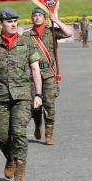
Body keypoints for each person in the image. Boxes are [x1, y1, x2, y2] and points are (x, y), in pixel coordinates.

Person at [0, 8, 42, 181]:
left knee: (19, 134)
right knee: (1, 137)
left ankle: (20, 175)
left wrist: (38, 94)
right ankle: (11, 158)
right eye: (9, 21)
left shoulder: (27, 43)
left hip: (22, 96)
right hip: (0, 96)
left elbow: (35, 68)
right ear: (0, 24)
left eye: (16, 20)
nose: (14, 24)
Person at [28, 7, 73, 145]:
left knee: (49, 104)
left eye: (39, 15)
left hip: (49, 74)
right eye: (34, 15)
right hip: (32, 75)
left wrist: (56, 20)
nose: (37, 18)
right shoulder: (27, 35)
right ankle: (37, 124)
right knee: (35, 106)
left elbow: (69, 33)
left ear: (44, 18)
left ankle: (49, 133)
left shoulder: (51, 31)